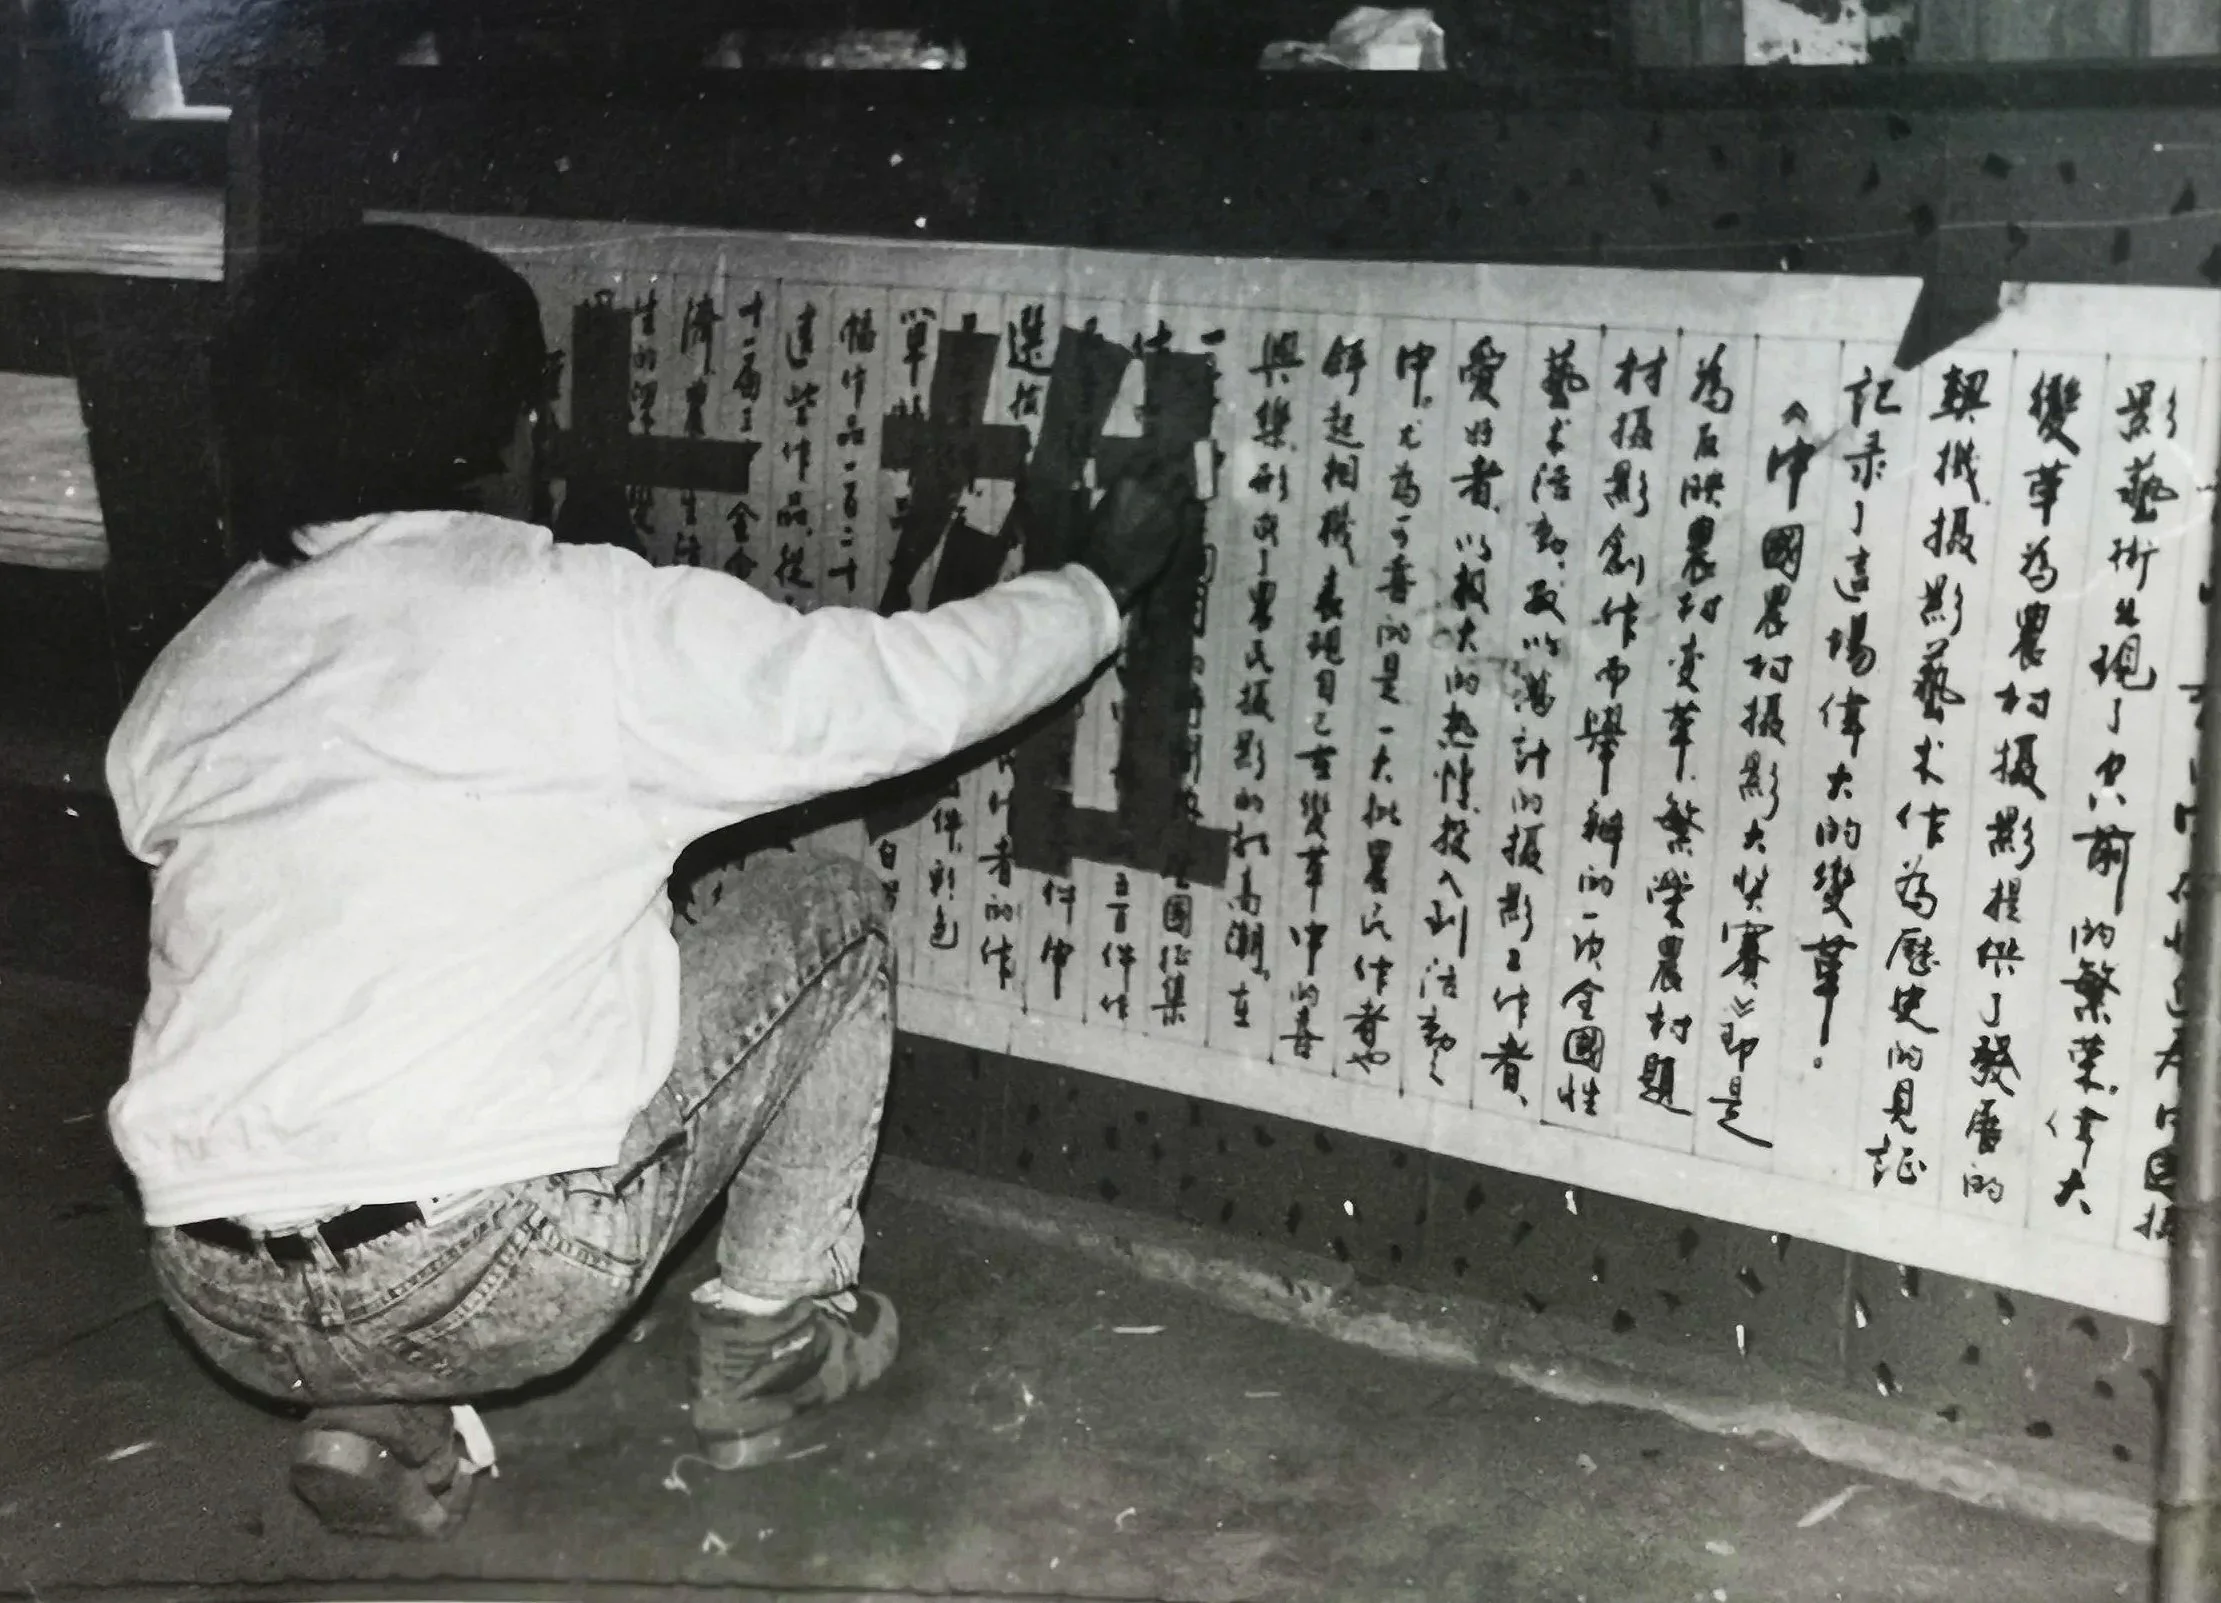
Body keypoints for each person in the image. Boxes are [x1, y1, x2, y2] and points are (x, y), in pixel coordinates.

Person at [104, 223, 1196, 1539]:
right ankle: (775, 1331)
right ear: (509, 432)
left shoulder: (206, 650)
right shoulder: (583, 613)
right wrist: (1093, 587)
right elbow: (900, 692)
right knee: (825, 911)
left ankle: (376, 1397)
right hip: (487, 1265)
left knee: (483, 995)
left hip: (214, 1289)